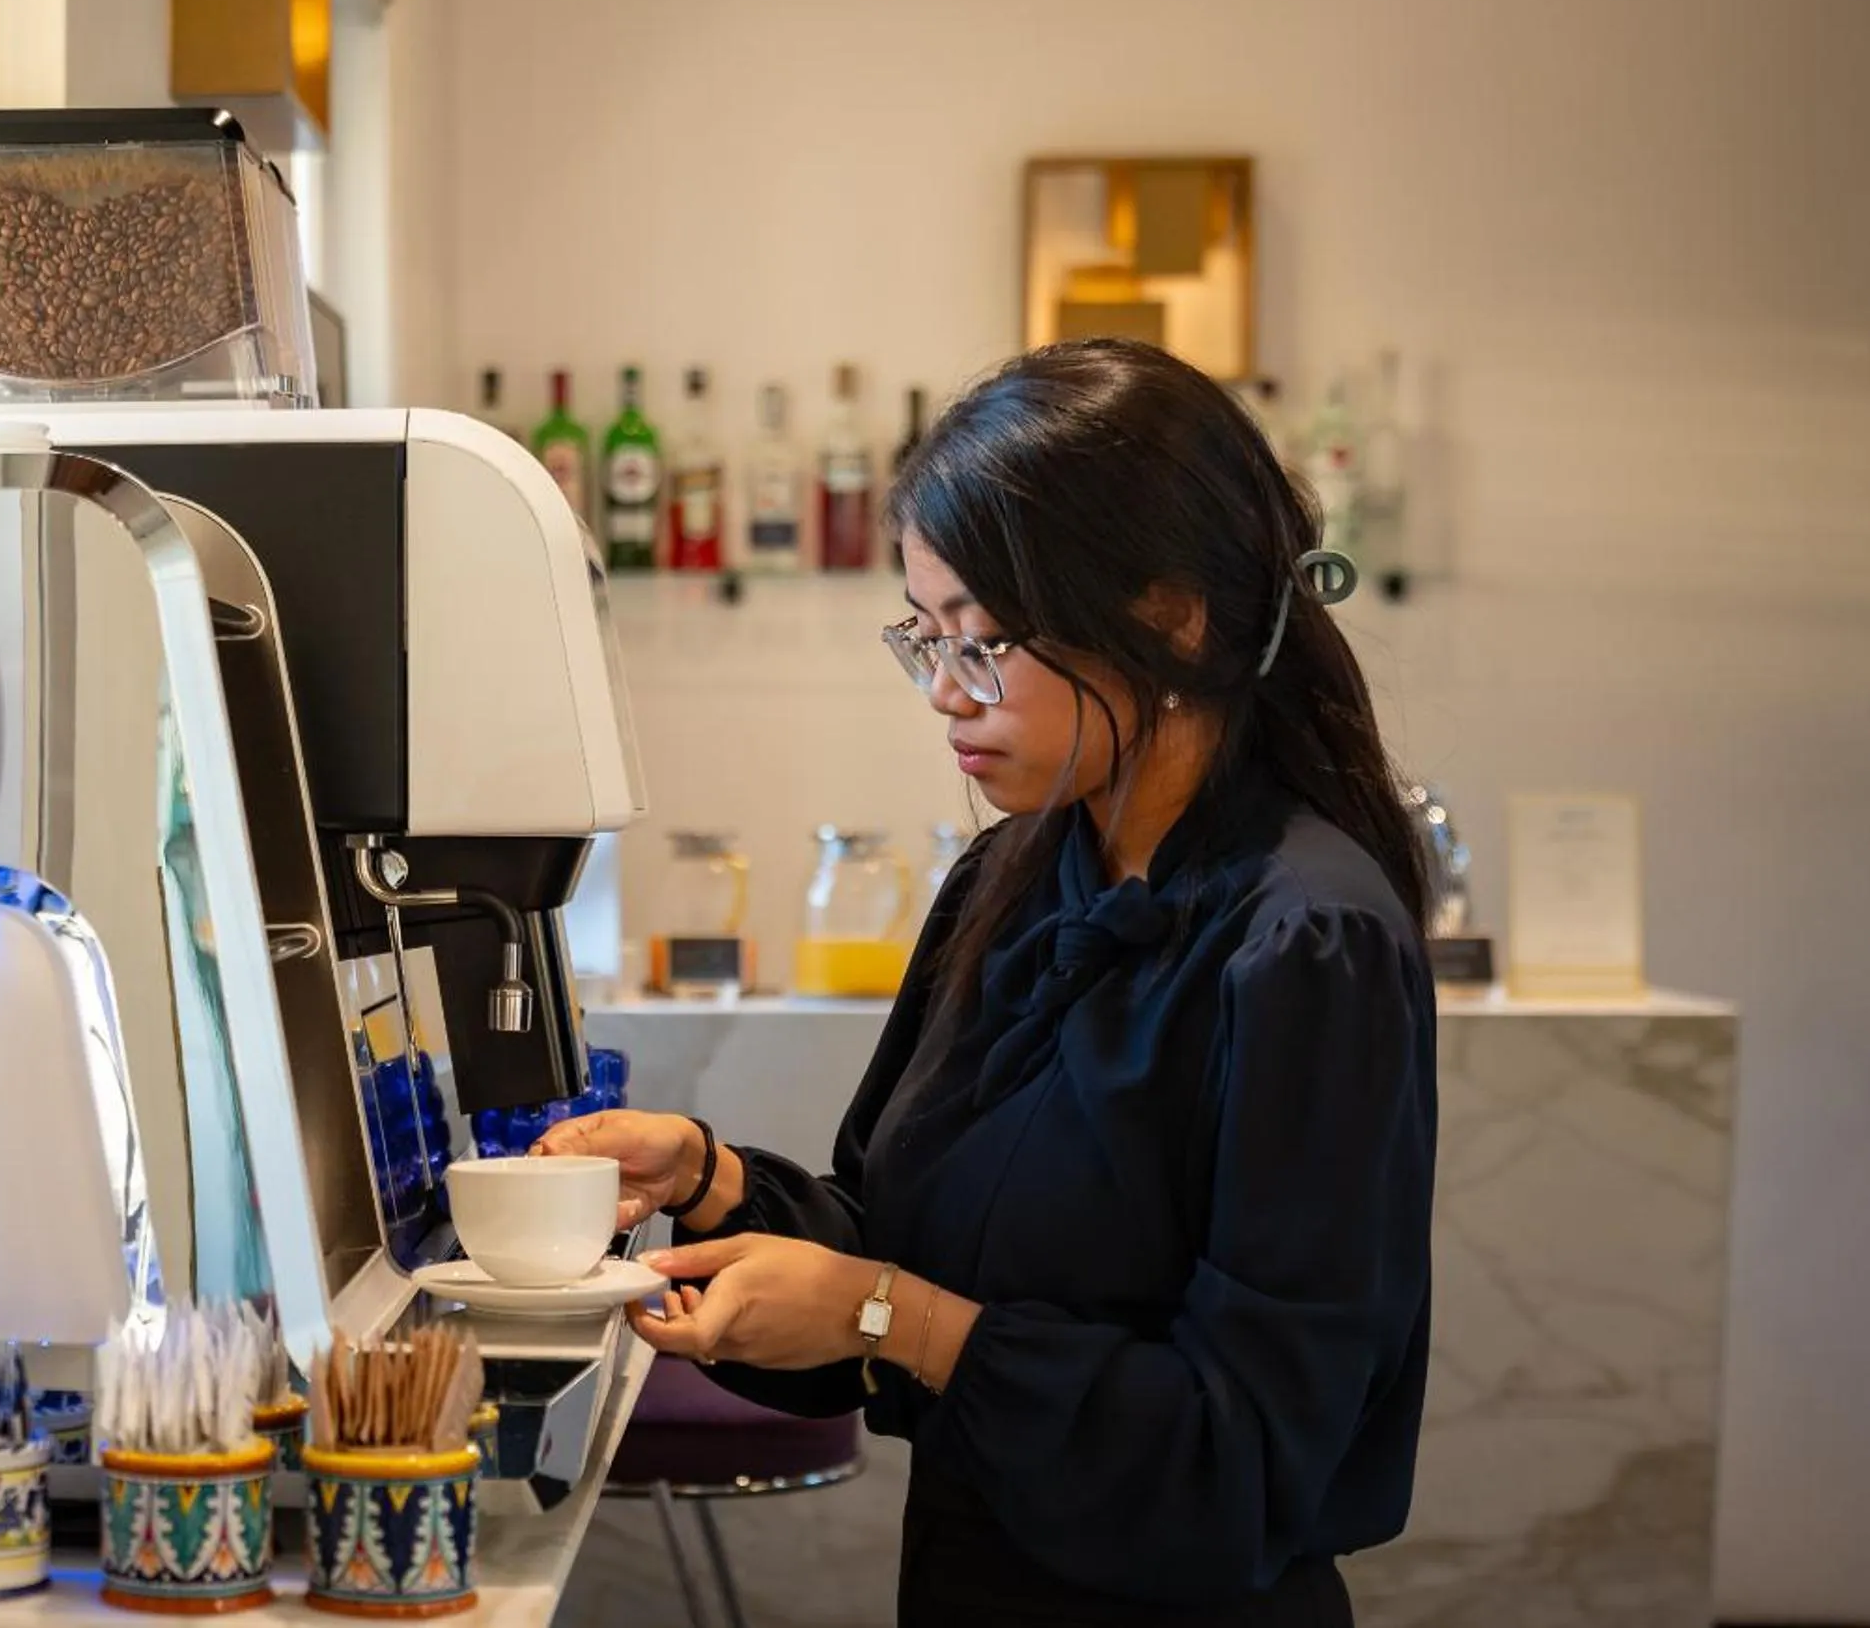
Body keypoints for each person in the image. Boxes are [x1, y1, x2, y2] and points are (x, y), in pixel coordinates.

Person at [539, 339, 1438, 1625]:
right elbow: (893, 1249)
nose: (944, 694)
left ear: (1170, 614)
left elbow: (1242, 1458)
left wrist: (894, 1321)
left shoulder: (1305, 942)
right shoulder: (1009, 880)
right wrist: (705, 1177)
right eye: (925, 639)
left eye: (985, 641)